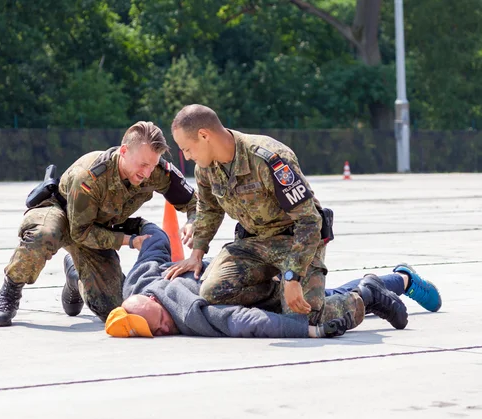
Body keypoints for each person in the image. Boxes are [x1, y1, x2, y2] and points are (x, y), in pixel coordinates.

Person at [164, 104, 408, 329]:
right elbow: (209, 209)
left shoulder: (267, 158)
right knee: (212, 294)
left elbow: (309, 221)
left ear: (204, 135)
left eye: (187, 148)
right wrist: (197, 254)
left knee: (303, 321)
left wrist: (292, 275)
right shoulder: (206, 168)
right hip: (254, 244)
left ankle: (367, 295)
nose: (186, 156)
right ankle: (286, 297)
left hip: (297, 244)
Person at [0, 121, 197, 326]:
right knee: (44, 234)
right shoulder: (90, 175)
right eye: (143, 164)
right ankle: (10, 292)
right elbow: (79, 232)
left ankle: (75, 276)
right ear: (124, 151)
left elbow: (194, 202)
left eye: (152, 165)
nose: (147, 173)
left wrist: (193, 221)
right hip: (61, 214)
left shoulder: (157, 171)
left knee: (115, 307)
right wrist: (130, 241)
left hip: (100, 226)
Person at [91, 222, 428, 338]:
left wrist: (308, 332)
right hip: (243, 275)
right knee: (334, 293)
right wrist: (135, 233)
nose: (164, 330)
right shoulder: (138, 286)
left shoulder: (192, 312)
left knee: (315, 311)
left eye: (160, 323)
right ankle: (401, 279)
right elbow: (155, 242)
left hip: (250, 279)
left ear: (154, 303)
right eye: (156, 331)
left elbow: (246, 321)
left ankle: (372, 293)